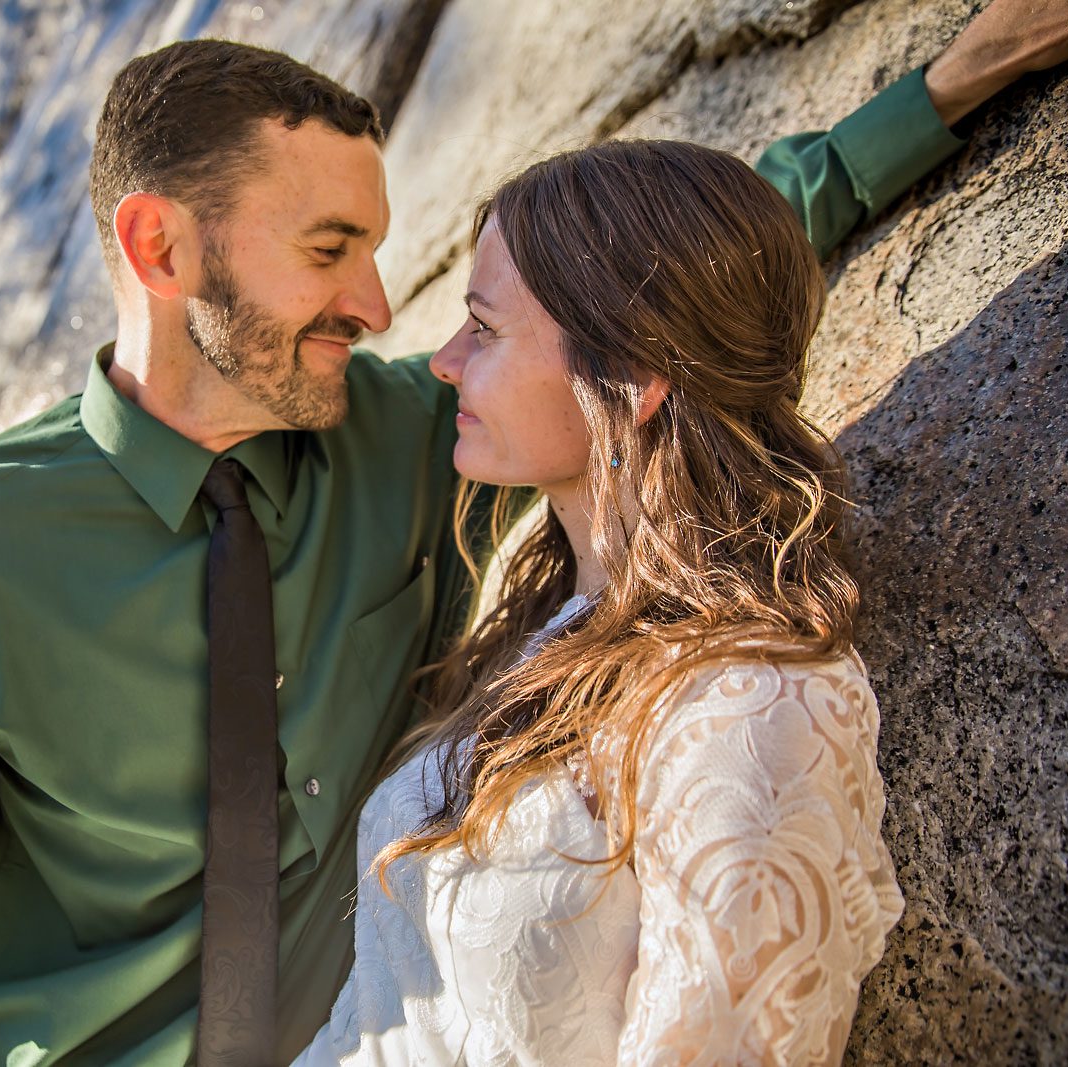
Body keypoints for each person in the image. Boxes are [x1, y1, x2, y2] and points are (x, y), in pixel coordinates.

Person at [0, 5, 1068, 1063]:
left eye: (379, 249)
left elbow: (659, 296)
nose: (380, 305)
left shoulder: (400, 437)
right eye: (330, 248)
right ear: (157, 245)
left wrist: (953, 81)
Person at [294, 136, 895, 1067]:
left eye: (484, 328)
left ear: (635, 371)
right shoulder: (543, 630)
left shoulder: (755, 702)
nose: (445, 361)